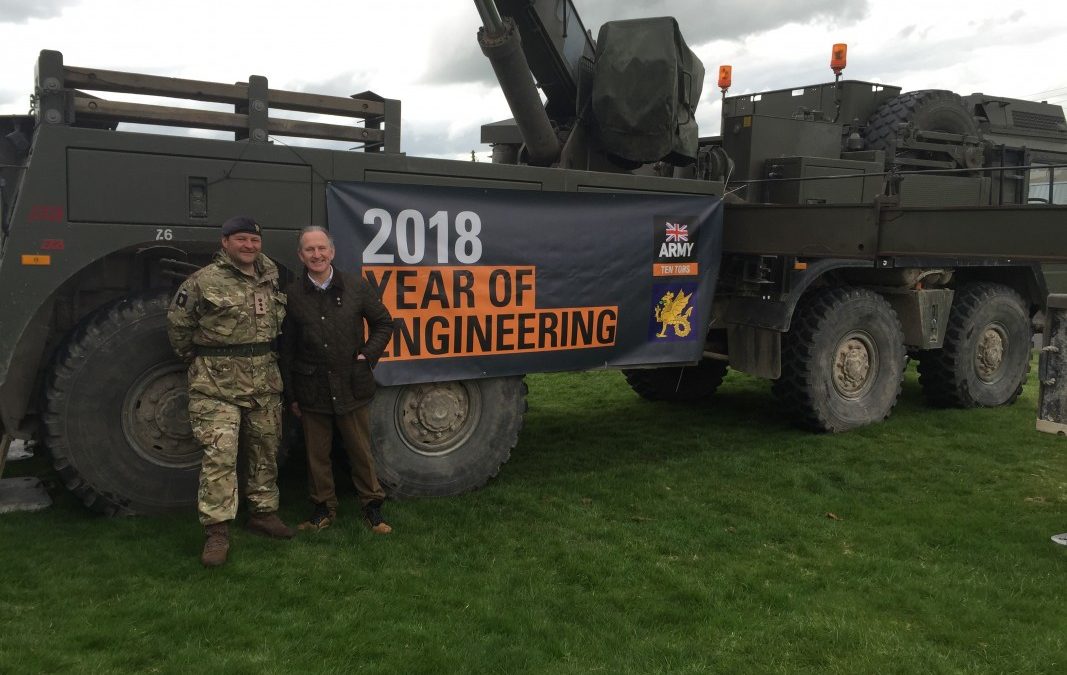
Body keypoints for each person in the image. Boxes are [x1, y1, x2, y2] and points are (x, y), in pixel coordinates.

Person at [167, 215, 296, 567]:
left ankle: (263, 514)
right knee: (219, 458)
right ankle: (217, 531)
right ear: (225, 242)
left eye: (254, 241)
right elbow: (179, 327)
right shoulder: (202, 281)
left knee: (265, 450)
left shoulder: (271, 279)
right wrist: (198, 362)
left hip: (265, 383)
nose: (248, 246)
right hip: (215, 386)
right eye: (241, 240)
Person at [280, 226, 395, 534]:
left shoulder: (356, 287)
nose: (316, 255)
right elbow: (287, 348)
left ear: (332, 252)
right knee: (317, 454)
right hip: (311, 388)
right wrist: (291, 395)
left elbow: (384, 323)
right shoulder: (292, 295)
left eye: (321, 249)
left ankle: (373, 508)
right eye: (309, 250)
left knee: (360, 450)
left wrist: (367, 356)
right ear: (300, 256)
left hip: (351, 384)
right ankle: (322, 510)